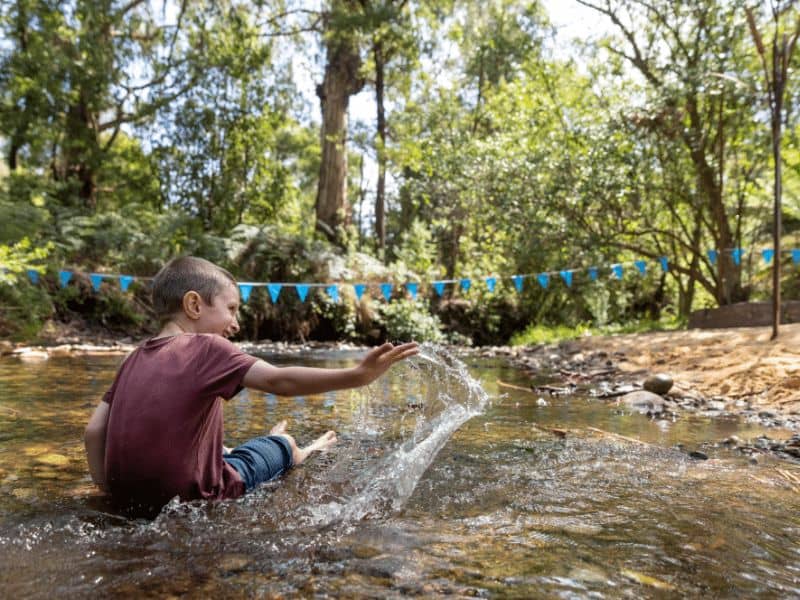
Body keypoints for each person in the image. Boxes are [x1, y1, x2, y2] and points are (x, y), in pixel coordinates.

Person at [84, 256, 418, 513]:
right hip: (196, 497)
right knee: (279, 444)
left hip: (130, 500)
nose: (236, 323)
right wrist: (356, 376)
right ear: (194, 305)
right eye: (231, 309)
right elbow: (278, 380)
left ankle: (241, 451)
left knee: (224, 449)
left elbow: (95, 431)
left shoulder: (134, 357)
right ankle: (299, 451)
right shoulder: (206, 347)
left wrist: (109, 491)